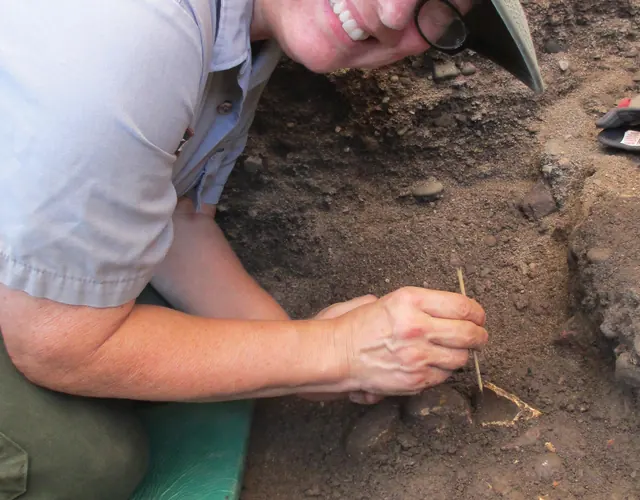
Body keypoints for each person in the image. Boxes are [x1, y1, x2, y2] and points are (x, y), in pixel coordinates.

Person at [0, 0, 544, 498]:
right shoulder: (130, 40)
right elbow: (58, 344)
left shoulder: (241, 37)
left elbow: (177, 215)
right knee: (84, 461)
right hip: (44, 316)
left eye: (437, 5)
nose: (393, 11)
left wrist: (309, 350)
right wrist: (334, 352)